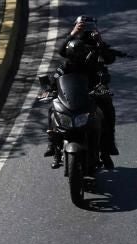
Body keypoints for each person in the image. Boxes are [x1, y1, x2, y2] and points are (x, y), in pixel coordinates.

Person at [43, 16, 122, 169]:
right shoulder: (70, 50)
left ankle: (106, 149)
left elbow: (109, 58)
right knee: (53, 108)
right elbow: (61, 57)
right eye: (83, 27)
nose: (87, 31)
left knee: (107, 109)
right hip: (72, 95)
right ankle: (53, 145)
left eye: (90, 27)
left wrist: (99, 41)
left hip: (93, 92)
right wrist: (72, 34)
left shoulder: (96, 48)